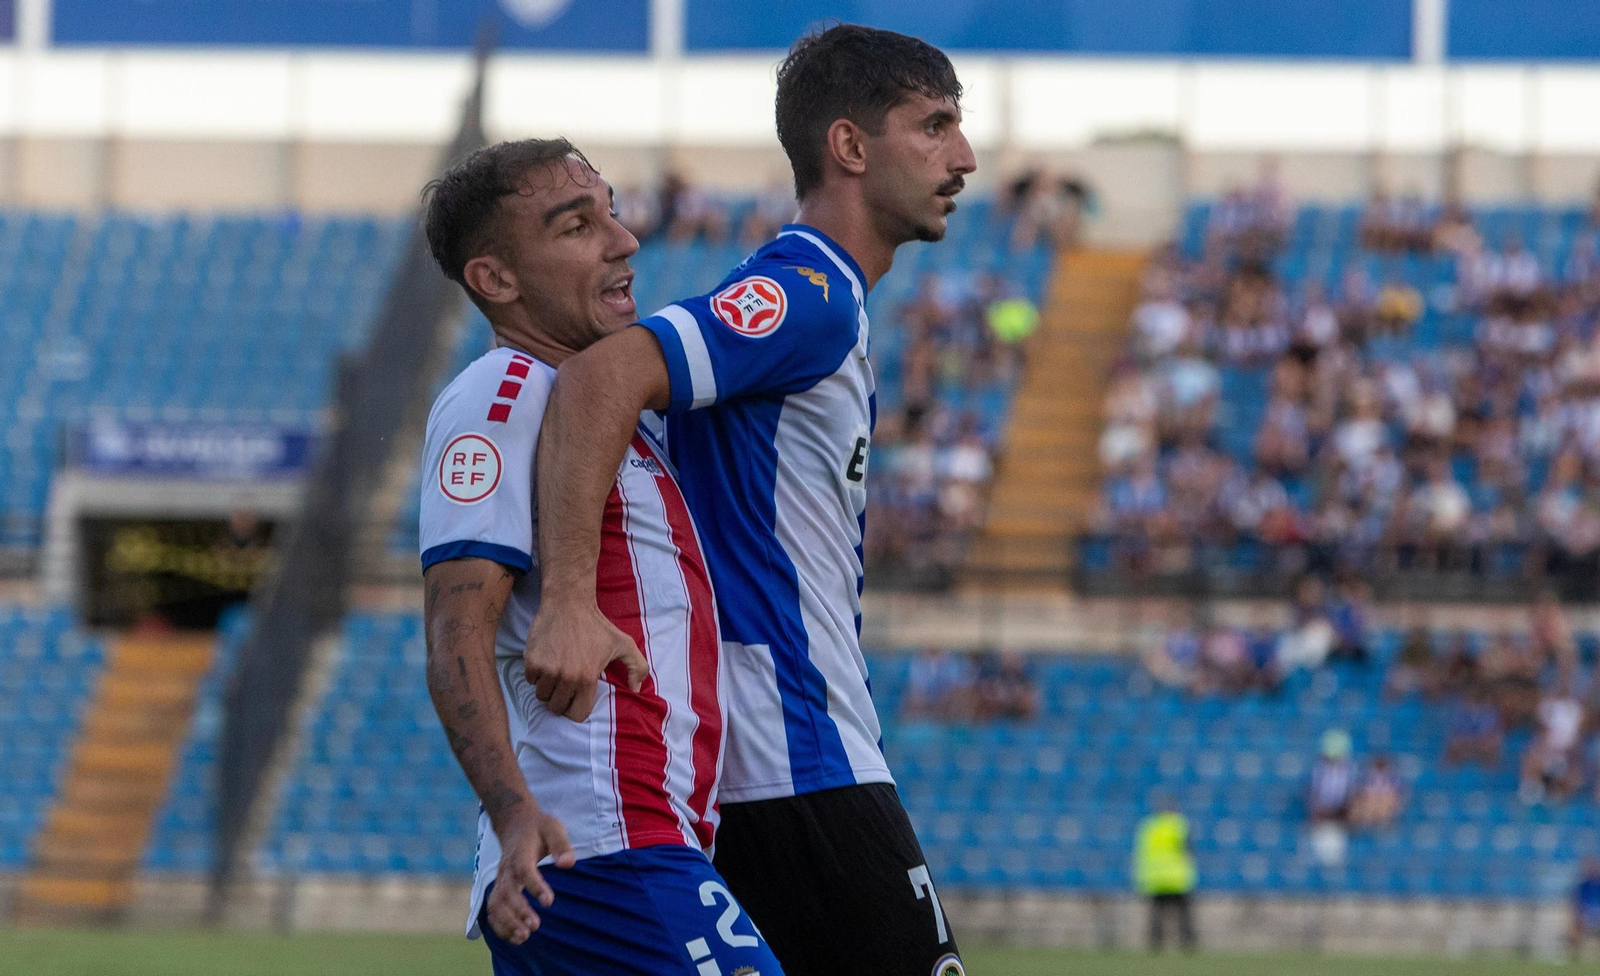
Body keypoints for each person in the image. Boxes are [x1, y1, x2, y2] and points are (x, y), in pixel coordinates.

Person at [527, 24, 976, 976]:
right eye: (934, 126)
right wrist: (567, 597)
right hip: (799, 763)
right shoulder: (806, 290)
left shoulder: (814, 298)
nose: (964, 157)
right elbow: (601, 382)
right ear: (849, 147)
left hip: (755, 766)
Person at [416, 139, 784, 976]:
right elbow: (455, 629)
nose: (623, 240)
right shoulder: (503, 392)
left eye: (613, 210)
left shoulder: (605, 408)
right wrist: (514, 818)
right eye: (578, 226)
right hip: (603, 846)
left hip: (640, 840)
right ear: (497, 280)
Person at [1133, 796, 1198, 952]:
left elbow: (1141, 852)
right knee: (1183, 915)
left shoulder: (1148, 826)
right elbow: (1188, 849)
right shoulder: (1179, 825)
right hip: (1177, 878)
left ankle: (1155, 944)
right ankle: (1187, 943)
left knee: (1156, 914)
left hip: (1155, 878)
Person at [1571, 857, 1600, 961]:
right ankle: (1574, 956)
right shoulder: (1583, 885)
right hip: (1587, 915)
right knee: (1575, 925)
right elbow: (1577, 903)